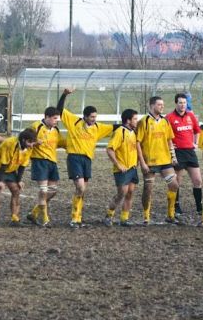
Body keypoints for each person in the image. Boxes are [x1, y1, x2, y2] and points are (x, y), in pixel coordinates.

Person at [56, 89, 115, 228]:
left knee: (83, 190)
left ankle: (78, 217)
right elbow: (59, 110)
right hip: (74, 158)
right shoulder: (74, 122)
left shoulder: (98, 127)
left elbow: (114, 128)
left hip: (87, 160)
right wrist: (64, 95)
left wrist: (130, 125)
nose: (94, 119)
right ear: (85, 116)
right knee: (80, 187)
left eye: (95, 117)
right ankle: (74, 218)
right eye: (92, 117)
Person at [136, 96, 180, 225]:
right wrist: (142, 163)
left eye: (163, 104)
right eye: (159, 104)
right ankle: (146, 217)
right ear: (152, 105)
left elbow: (169, 140)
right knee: (148, 189)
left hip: (165, 160)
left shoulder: (165, 121)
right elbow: (137, 143)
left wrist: (173, 157)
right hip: (149, 161)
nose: (162, 107)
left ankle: (170, 215)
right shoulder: (143, 122)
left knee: (174, 185)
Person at [0, 128, 38, 228]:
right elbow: (4, 163)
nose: (32, 145)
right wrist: (0, 181)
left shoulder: (29, 148)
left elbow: (23, 165)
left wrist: (19, 180)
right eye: (30, 142)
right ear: (24, 140)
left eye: (33, 142)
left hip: (10, 167)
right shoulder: (9, 143)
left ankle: (15, 219)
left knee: (16, 190)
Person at [25, 107, 66, 228]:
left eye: (57, 119)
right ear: (47, 117)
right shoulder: (36, 127)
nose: (56, 121)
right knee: (43, 190)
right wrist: (34, 143)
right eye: (54, 119)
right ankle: (45, 219)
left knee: (52, 191)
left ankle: (33, 213)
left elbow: (61, 143)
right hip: (39, 161)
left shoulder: (56, 130)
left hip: (52, 162)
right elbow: (25, 141)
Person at [165, 93, 203, 217]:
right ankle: (176, 206)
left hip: (190, 152)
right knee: (177, 182)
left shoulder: (191, 116)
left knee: (197, 180)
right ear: (176, 103)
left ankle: (199, 207)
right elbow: (164, 135)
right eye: (180, 103)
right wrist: (170, 146)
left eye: (184, 103)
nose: (182, 105)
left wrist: (196, 143)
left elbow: (197, 131)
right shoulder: (169, 117)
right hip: (178, 153)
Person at [105, 109, 139, 227]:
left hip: (132, 168)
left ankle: (124, 218)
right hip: (122, 170)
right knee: (121, 193)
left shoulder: (134, 132)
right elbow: (109, 149)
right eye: (135, 119)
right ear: (128, 120)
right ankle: (109, 215)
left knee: (130, 193)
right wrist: (118, 164)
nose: (137, 121)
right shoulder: (120, 132)